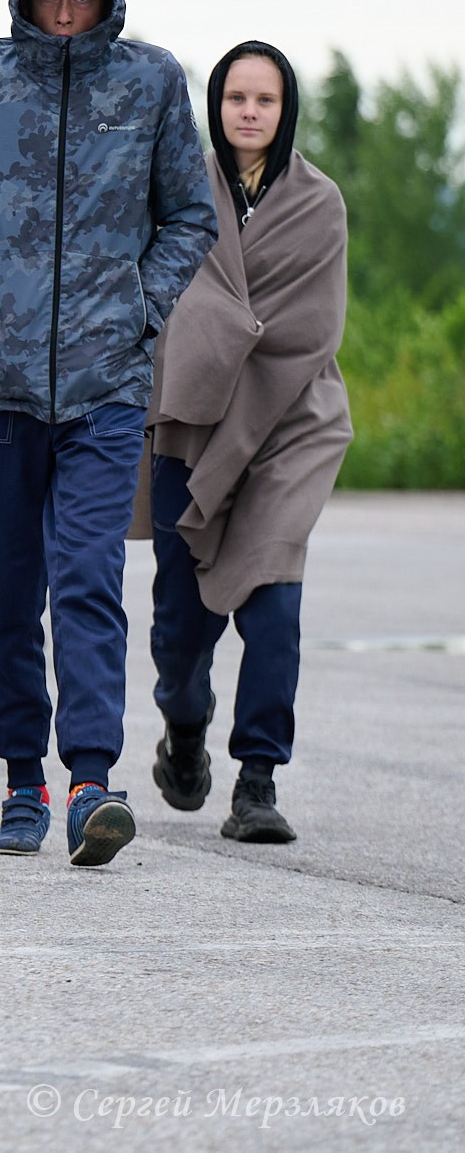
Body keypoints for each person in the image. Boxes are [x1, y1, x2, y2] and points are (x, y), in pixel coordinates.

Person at [0, 0, 216, 868]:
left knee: (89, 579)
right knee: (10, 593)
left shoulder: (151, 81)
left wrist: (142, 308)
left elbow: (190, 215)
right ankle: (21, 782)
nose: (68, 13)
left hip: (107, 386)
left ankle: (90, 784)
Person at [139, 43, 348, 846]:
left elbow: (311, 328)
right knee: (180, 623)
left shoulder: (319, 203)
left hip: (288, 421)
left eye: (265, 99)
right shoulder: (177, 191)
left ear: (286, 108)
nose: (250, 112)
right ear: (216, 105)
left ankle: (258, 779)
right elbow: (155, 296)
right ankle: (184, 725)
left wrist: (217, 327)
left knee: (274, 604)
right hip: (190, 422)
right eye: (236, 98)